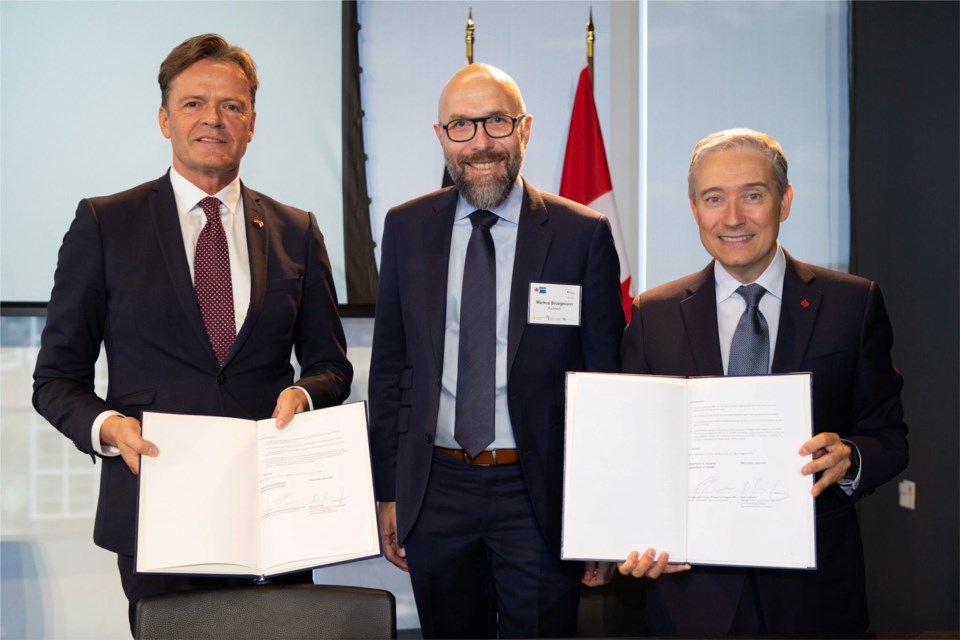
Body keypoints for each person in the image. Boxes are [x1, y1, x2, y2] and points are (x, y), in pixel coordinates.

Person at [32, 34, 353, 633]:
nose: (213, 118)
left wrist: (306, 395)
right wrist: (109, 428)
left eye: (232, 105)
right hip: (158, 510)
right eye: (193, 103)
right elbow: (55, 380)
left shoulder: (297, 230)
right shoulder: (105, 224)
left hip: (275, 514)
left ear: (252, 122)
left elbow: (331, 367)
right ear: (164, 119)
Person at [368, 63, 625, 638]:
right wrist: (389, 490)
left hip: (537, 491)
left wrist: (602, 512)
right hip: (437, 489)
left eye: (497, 122)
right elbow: (390, 369)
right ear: (440, 136)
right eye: (461, 125)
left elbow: (605, 384)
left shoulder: (581, 234)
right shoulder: (407, 227)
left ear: (525, 129)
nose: (481, 142)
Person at [617, 128, 908, 635]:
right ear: (694, 208)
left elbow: (889, 436)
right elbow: (632, 454)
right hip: (691, 599)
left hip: (815, 598)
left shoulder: (851, 304)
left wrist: (850, 458)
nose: (732, 217)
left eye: (753, 195)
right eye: (714, 199)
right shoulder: (652, 315)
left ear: (785, 200)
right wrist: (630, 538)